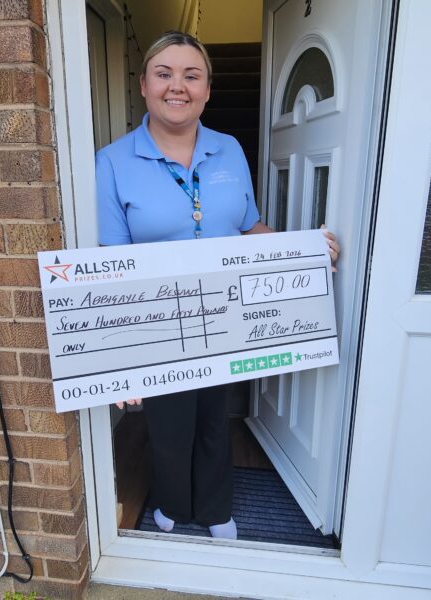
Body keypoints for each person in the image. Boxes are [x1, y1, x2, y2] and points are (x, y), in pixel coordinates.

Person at [95, 31, 339, 540]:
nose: (177, 86)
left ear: (207, 89)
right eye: (164, 74)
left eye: (191, 75)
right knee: (169, 422)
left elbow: (249, 228)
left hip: (226, 315)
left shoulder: (229, 150)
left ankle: (214, 506)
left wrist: (304, 250)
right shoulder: (113, 162)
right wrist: (121, 360)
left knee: (214, 414)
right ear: (143, 85)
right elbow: (113, 264)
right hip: (158, 319)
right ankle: (172, 502)